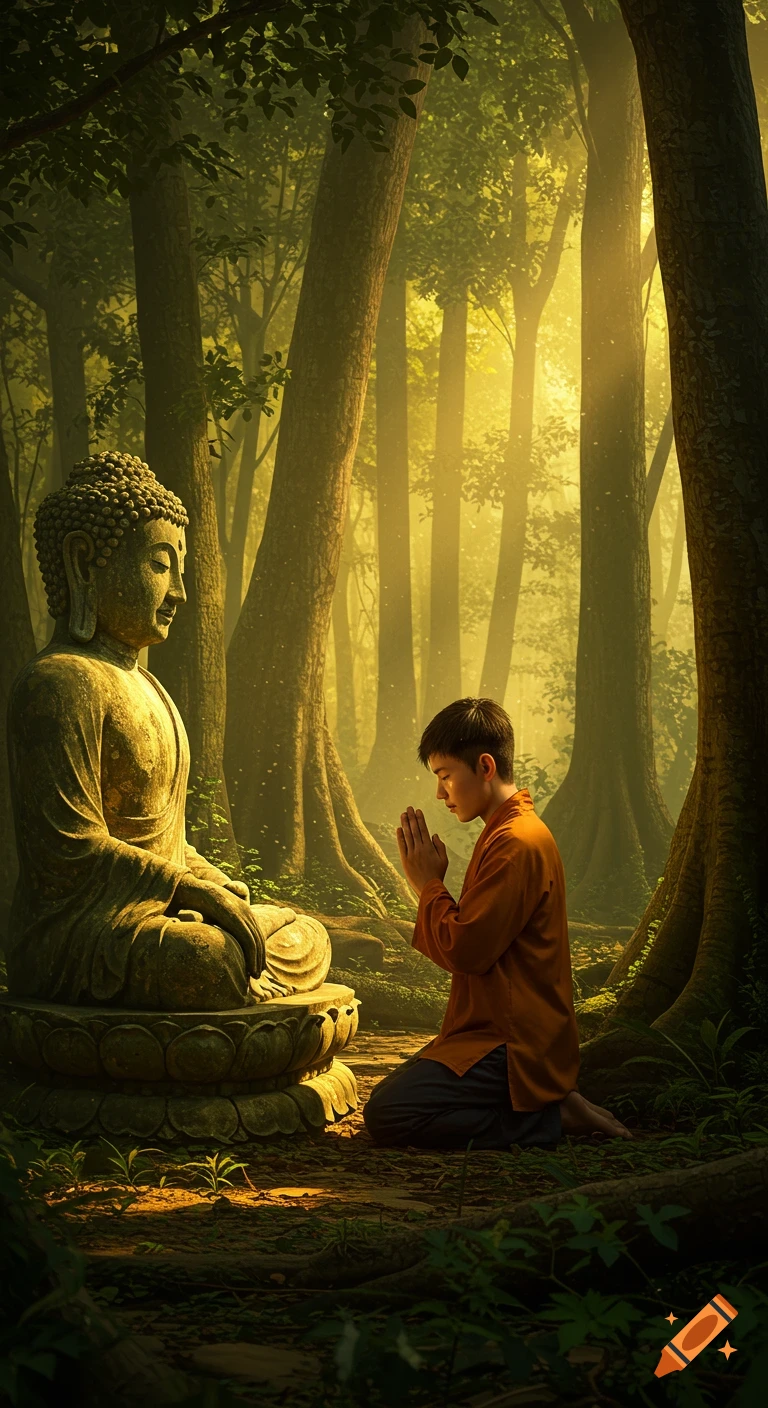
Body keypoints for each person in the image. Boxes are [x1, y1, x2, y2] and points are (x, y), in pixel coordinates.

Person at [363, 698, 633, 1149]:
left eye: (445, 775)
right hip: (497, 1033)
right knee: (397, 1089)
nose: (440, 793)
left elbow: (466, 950)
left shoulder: (516, 843)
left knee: (390, 1111)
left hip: (515, 1043)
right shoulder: (506, 832)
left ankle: (550, 1120)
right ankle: (548, 1105)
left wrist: (428, 885)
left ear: (485, 765)